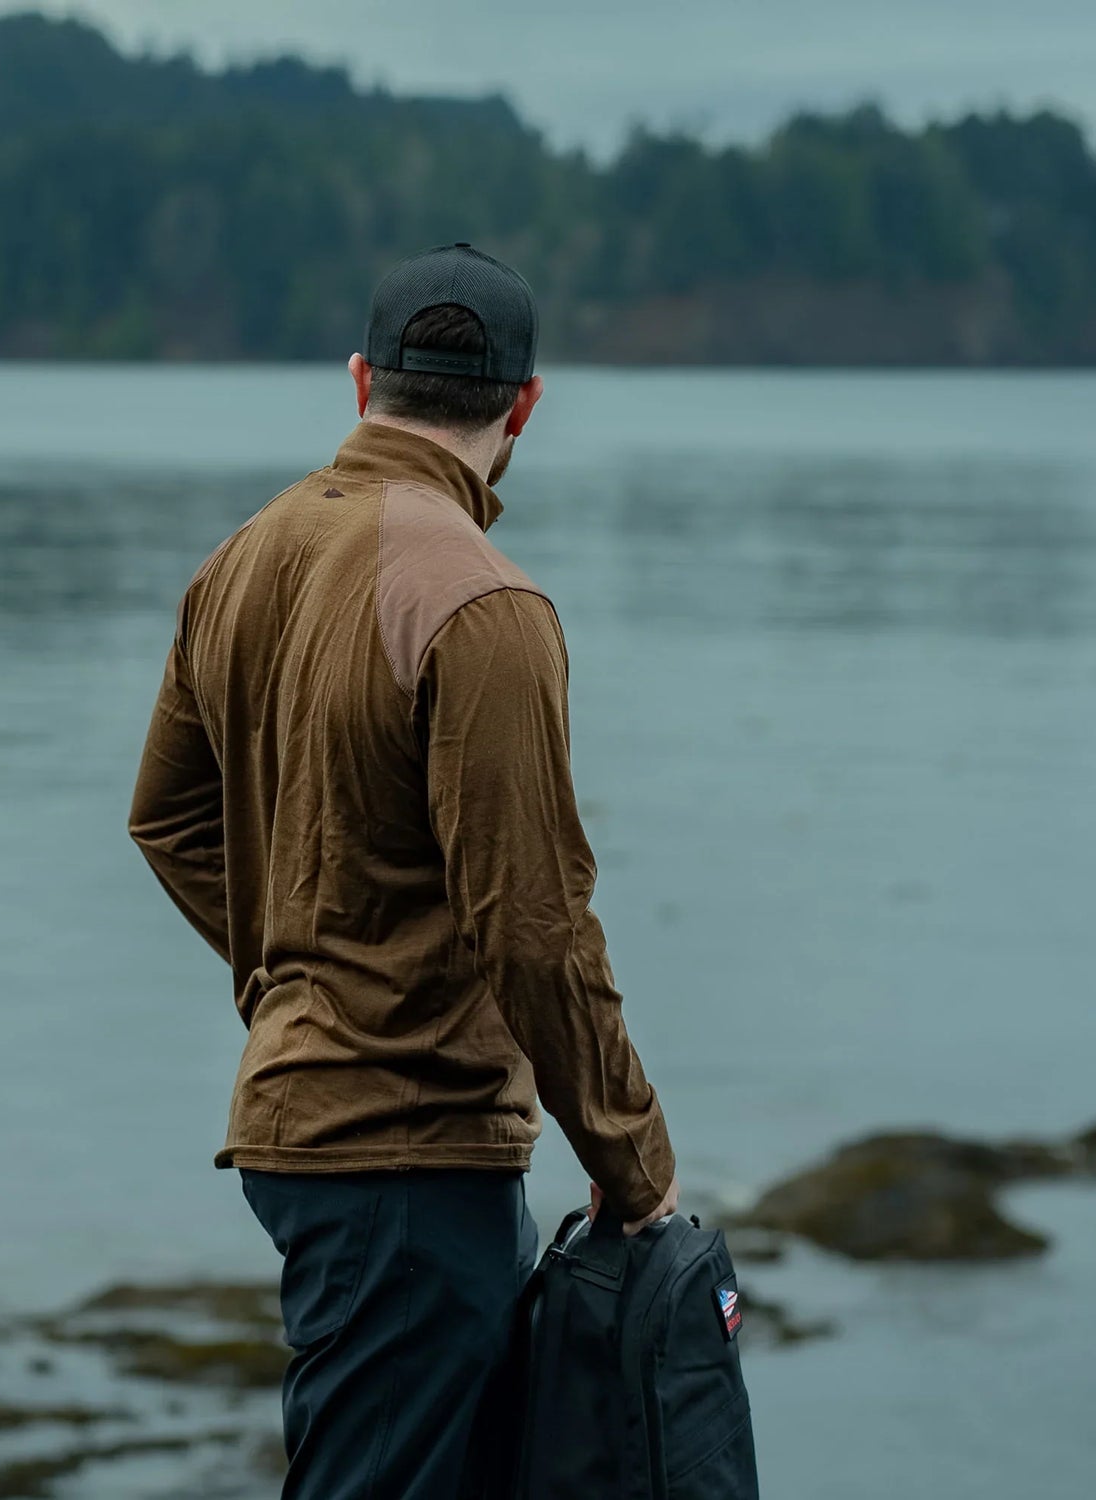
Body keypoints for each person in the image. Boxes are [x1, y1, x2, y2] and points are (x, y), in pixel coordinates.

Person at [129, 242, 677, 1499]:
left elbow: (166, 822)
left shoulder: (239, 563)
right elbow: (534, 929)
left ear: (362, 378)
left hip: (318, 1134)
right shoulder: (485, 605)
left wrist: (303, 979)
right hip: (409, 1158)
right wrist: (632, 1164)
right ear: (524, 406)